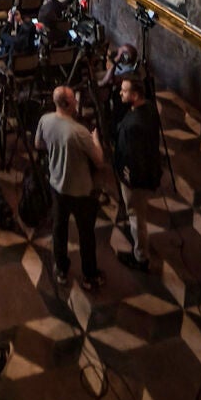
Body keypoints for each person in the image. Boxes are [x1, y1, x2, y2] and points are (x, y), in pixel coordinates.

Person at [35, 85, 105, 290]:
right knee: (86, 234)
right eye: (74, 99)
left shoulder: (45, 120)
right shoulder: (79, 132)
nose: (77, 101)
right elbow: (99, 161)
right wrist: (96, 140)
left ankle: (61, 269)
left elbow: (38, 144)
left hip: (56, 185)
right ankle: (89, 275)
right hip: (81, 190)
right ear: (68, 103)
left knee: (59, 228)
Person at [114, 76, 162, 271]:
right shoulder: (149, 107)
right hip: (150, 169)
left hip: (136, 179)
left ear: (134, 95)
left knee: (136, 216)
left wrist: (127, 179)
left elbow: (131, 157)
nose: (120, 93)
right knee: (135, 213)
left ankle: (141, 256)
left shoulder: (133, 125)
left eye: (124, 91)